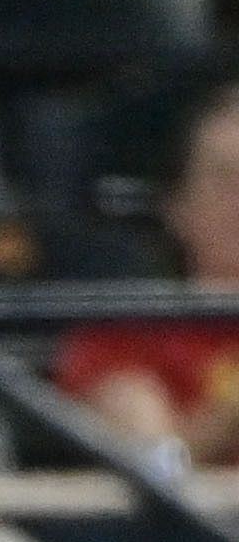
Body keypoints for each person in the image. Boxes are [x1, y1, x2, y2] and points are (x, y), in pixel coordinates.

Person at [62, 84, 239, 471]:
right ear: (177, 207)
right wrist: (225, 420)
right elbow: (158, 469)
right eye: (222, 177)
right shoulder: (127, 336)